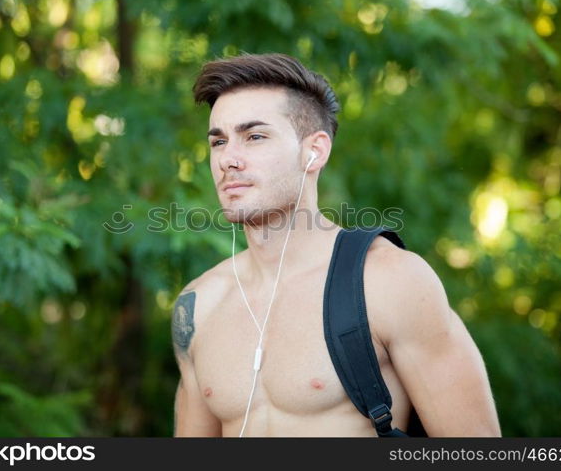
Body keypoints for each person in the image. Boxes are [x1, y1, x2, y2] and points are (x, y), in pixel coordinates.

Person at [170, 52, 501, 437]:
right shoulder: (199, 305)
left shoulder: (387, 281)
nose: (228, 159)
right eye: (219, 142)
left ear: (315, 151)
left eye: (255, 136)